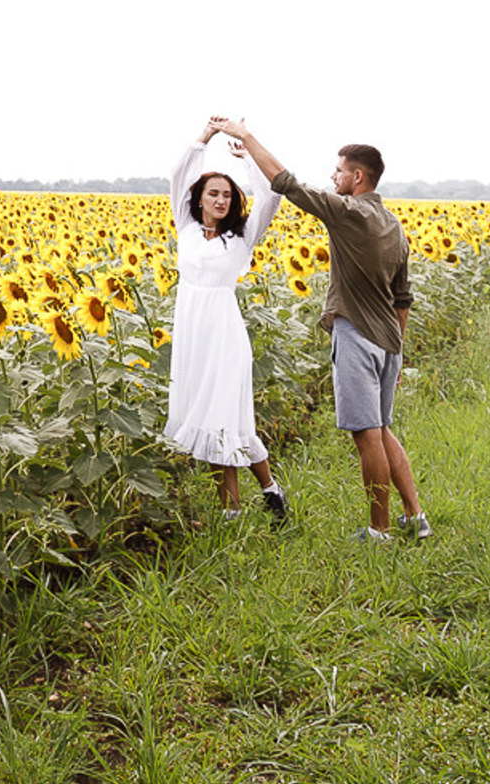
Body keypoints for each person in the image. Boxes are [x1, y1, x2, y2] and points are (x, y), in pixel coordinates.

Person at [207, 117, 429, 544]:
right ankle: (414, 516)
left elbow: (287, 184)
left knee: (366, 436)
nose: (333, 176)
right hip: (388, 343)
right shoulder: (393, 226)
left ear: (357, 177)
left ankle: (378, 530)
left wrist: (246, 137)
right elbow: (403, 298)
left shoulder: (349, 214)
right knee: (382, 429)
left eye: (339, 170)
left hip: (358, 337)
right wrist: (397, 354)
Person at [163, 130, 289, 521]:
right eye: (213, 193)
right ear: (198, 198)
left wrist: (246, 155)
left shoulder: (242, 236)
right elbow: (177, 176)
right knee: (223, 420)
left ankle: (231, 515)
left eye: (227, 195)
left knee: (222, 420)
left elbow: (272, 196)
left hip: (224, 336)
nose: (221, 200)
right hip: (192, 336)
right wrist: (204, 138)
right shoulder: (184, 226)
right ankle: (271, 490)